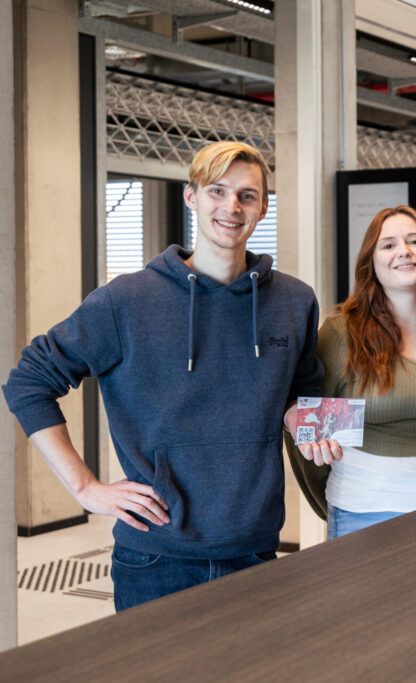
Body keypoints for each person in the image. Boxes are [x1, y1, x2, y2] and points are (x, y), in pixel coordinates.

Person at [2, 141, 323, 610]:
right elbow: (29, 381)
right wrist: (85, 488)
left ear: (263, 207)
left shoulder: (294, 301)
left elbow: (301, 386)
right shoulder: (126, 301)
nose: (231, 207)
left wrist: (300, 417)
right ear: (191, 197)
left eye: (247, 195)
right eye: (217, 191)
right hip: (156, 556)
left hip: (255, 546)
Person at [286, 206, 416, 538]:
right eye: (388, 245)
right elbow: (308, 428)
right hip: (364, 512)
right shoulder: (341, 332)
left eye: (414, 241)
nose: (403, 251)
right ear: (370, 262)